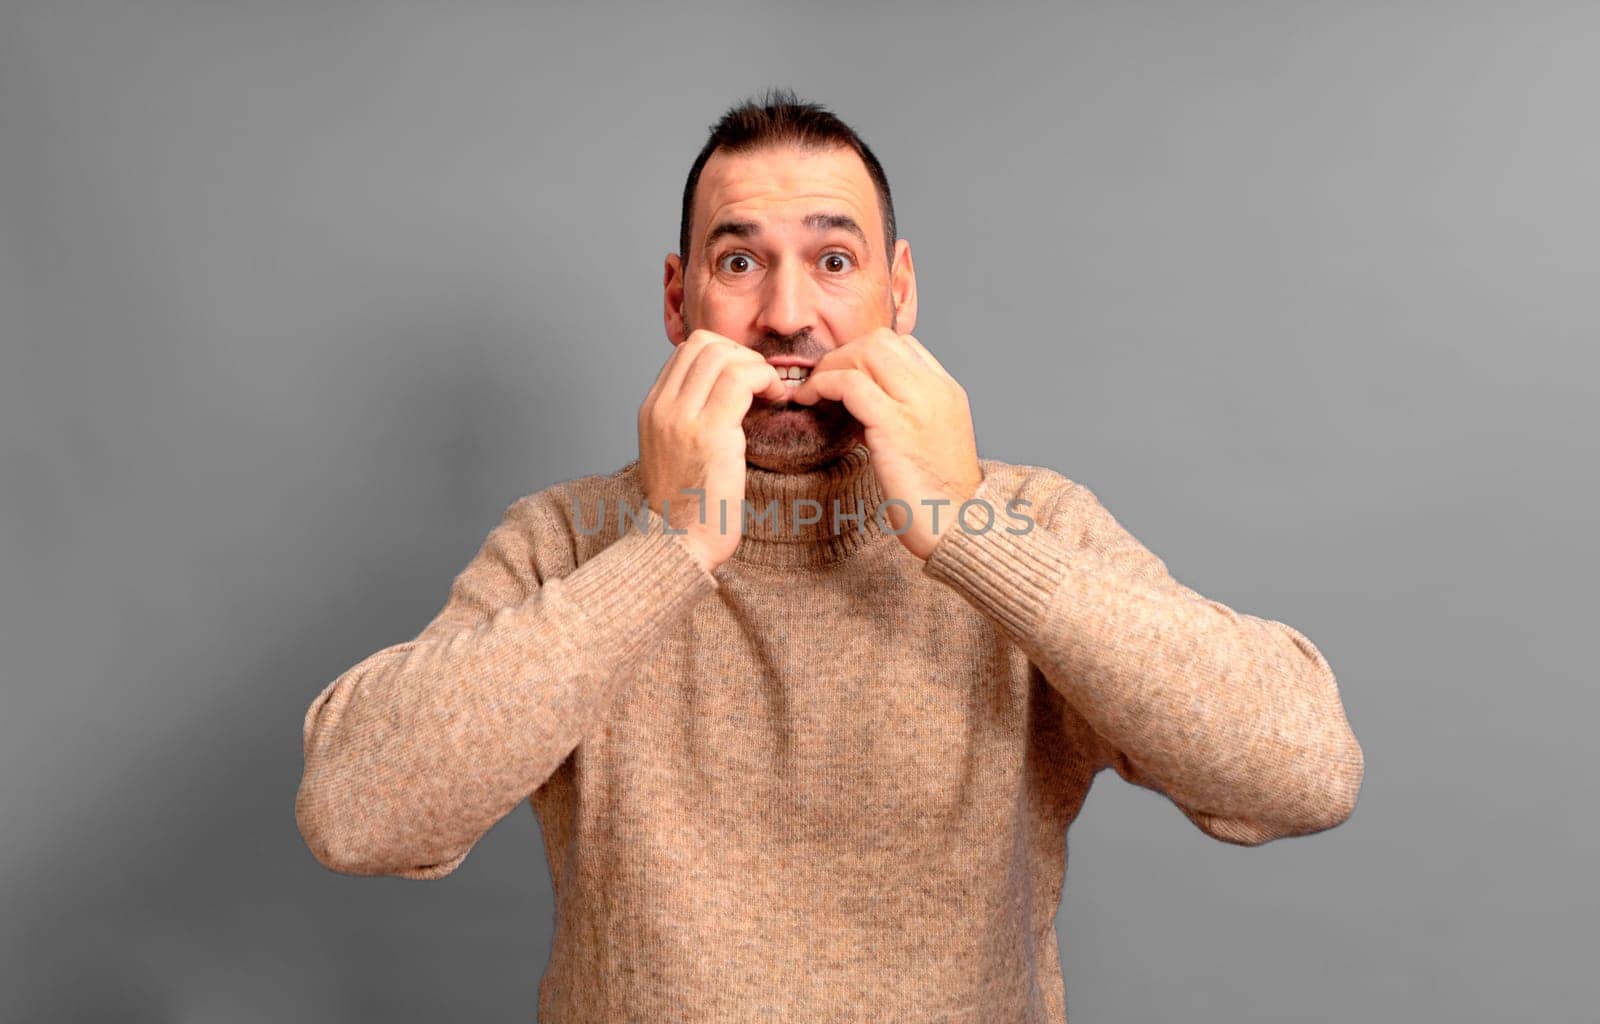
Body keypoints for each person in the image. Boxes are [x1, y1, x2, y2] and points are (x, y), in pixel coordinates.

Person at [294, 87, 1365, 1023]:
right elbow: (357, 811)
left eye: (833, 259)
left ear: (899, 291)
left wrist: (964, 531)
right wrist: (667, 550)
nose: (788, 315)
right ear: (679, 300)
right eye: (740, 260)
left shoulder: (1026, 520)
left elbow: (1302, 773)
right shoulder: (568, 540)